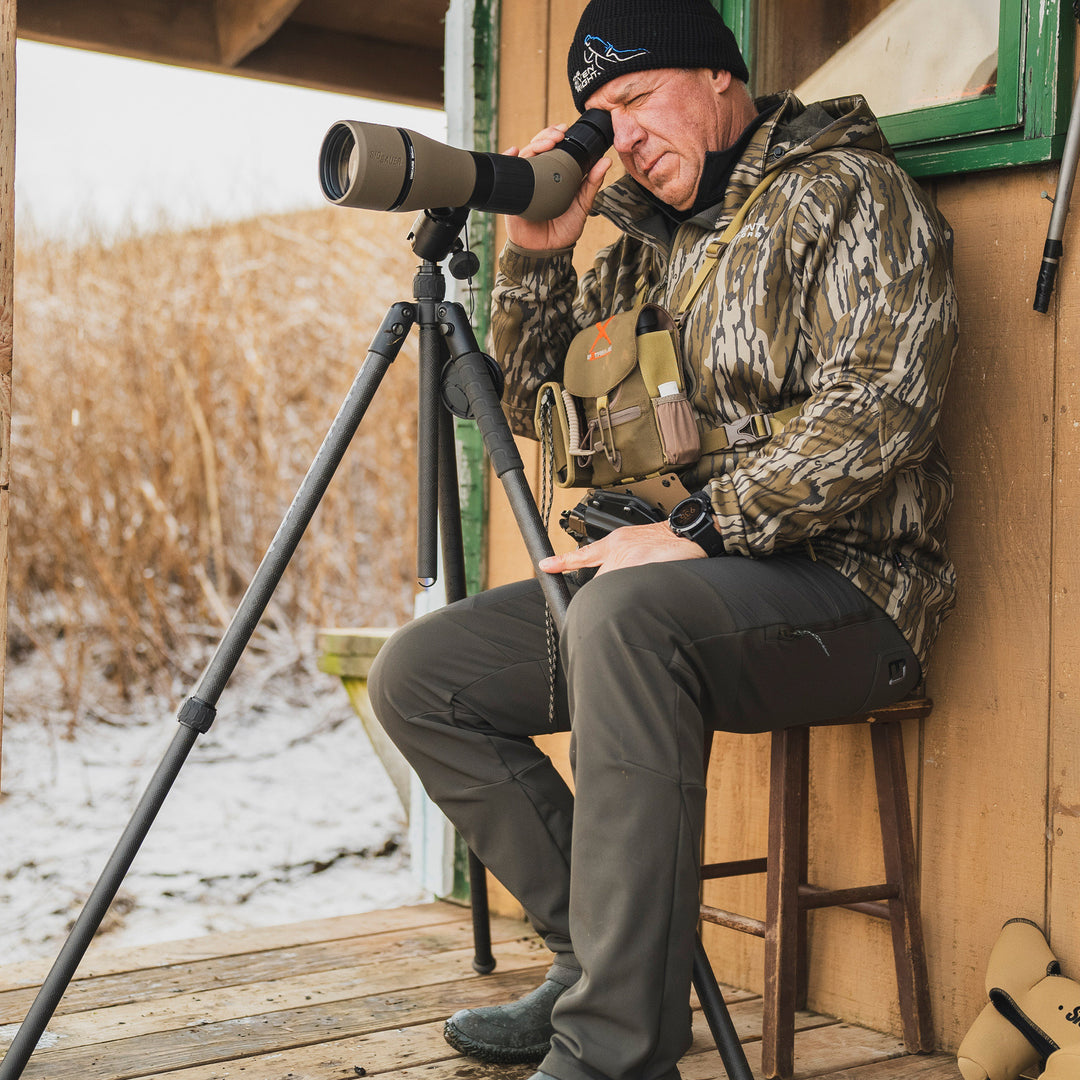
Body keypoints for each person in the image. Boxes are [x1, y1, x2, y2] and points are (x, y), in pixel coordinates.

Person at [368, 2, 959, 1080]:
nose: (624, 134)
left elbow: (884, 410)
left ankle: (612, 1051)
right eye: (600, 116)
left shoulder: (852, 194)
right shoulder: (641, 246)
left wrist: (698, 527)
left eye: (638, 99)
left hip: (852, 591)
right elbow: (527, 407)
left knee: (631, 617)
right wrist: (540, 260)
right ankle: (597, 962)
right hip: (672, 588)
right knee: (423, 675)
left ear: (722, 79)